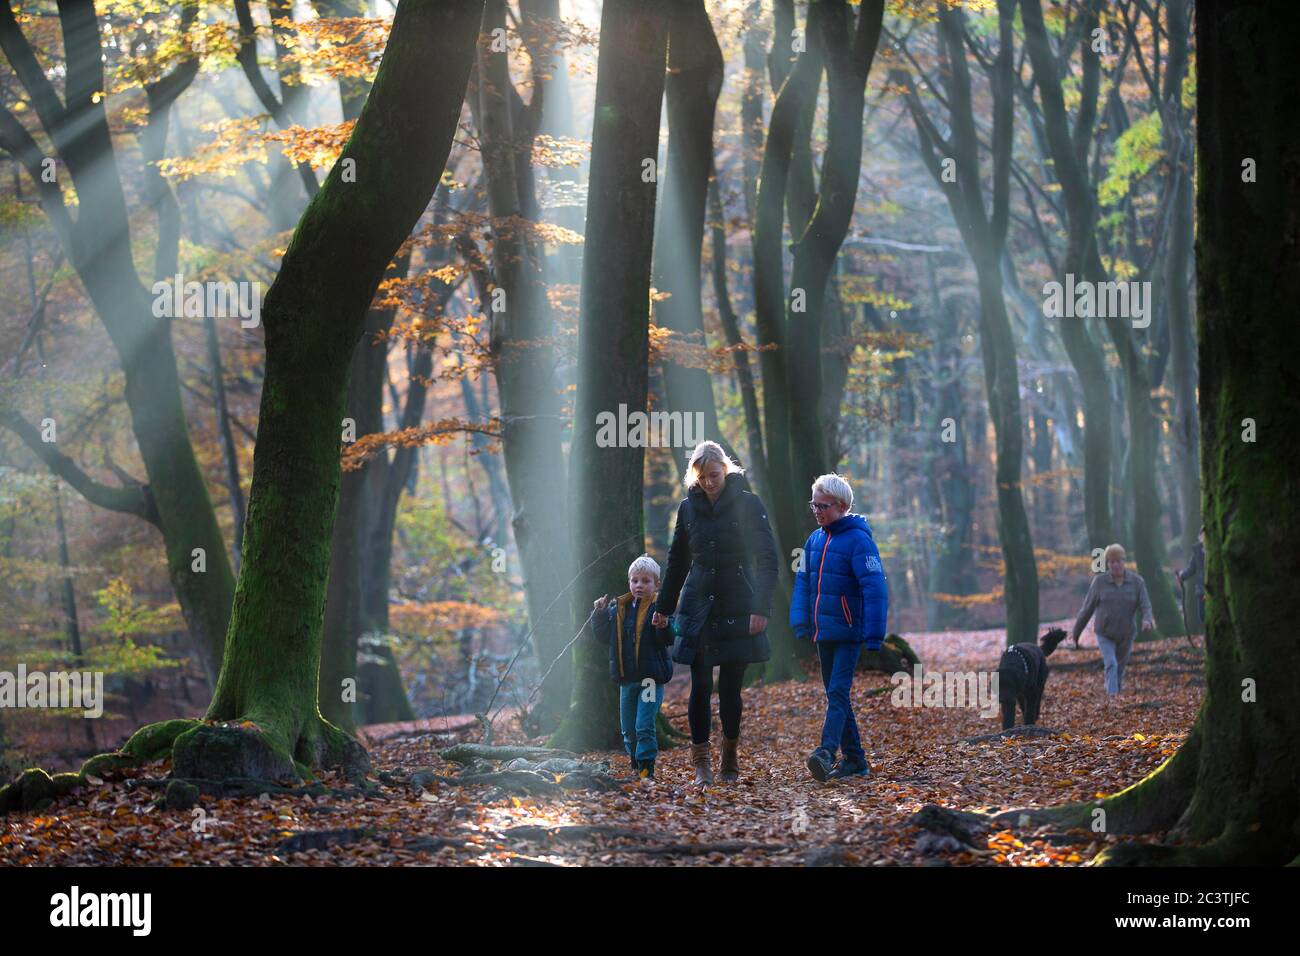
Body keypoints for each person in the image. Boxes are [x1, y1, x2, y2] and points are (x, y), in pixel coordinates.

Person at [652, 441, 779, 785]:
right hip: (698, 607)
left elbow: (768, 559)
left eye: (714, 475)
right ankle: (701, 764)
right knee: (700, 685)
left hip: (739, 602)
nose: (709, 482)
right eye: (702, 476)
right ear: (694, 476)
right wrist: (664, 607)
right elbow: (677, 562)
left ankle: (730, 759)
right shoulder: (687, 509)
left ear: (725, 470)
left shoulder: (749, 505)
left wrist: (761, 607)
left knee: (731, 689)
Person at [790, 474, 889, 782]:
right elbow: (803, 582)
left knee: (837, 692)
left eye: (823, 505)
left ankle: (825, 752)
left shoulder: (859, 540)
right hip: (824, 631)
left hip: (848, 631)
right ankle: (856, 760)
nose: (817, 511)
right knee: (837, 696)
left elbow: (874, 587)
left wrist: (874, 634)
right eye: (814, 505)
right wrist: (801, 621)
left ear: (842, 505)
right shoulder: (814, 540)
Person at [590, 554, 673, 780]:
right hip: (627, 679)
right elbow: (604, 637)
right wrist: (598, 614)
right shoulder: (619, 608)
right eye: (635, 580)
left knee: (643, 725)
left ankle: (647, 771)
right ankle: (635, 766)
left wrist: (664, 625)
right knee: (628, 729)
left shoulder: (660, 608)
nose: (639, 585)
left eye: (646, 581)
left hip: (649, 679)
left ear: (656, 584)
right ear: (629, 582)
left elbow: (668, 638)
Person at [1070, 543, 1154, 697]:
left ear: (1124, 561)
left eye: (1119, 561)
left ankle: (1115, 693)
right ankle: (1113, 698)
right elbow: (1087, 609)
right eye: (1112, 562)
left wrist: (1147, 620)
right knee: (1111, 664)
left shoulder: (1137, 582)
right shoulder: (1100, 582)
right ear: (1108, 563)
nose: (1116, 565)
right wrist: (1076, 633)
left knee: (1120, 668)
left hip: (1126, 634)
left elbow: (1145, 605)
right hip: (1105, 633)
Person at [1177, 527, 1206, 627]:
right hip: (1201, 589)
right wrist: (1182, 576)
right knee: (1202, 616)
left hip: (1215, 589)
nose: (1204, 537)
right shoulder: (1197, 551)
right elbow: (1191, 568)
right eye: (1202, 535)